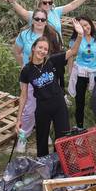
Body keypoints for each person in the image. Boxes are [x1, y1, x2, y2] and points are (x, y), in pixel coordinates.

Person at [16, 21, 83, 156]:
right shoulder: (26, 71)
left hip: (58, 104)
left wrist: (80, 34)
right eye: (40, 47)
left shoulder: (51, 60)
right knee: (41, 139)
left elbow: (73, 51)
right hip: (42, 107)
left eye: (45, 49)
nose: (42, 51)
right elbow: (23, 96)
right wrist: (18, 119)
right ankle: (44, 166)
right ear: (33, 48)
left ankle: (62, 164)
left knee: (63, 138)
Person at [13, 10, 63, 153]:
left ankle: (44, 132)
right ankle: (24, 135)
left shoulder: (51, 35)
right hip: (31, 76)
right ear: (32, 20)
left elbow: (57, 55)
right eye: (37, 19)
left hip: (47, 77)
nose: (40, 22)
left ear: (46, 21)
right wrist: (24, 66)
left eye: (43, 19)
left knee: (47, 106)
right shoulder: (25, 35)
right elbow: (16, 51)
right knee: (29, 109)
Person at [67, 16, 96, 129]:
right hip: (81, 73)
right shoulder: (75, 40)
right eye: (81, 27)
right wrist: (70, 72)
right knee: (79, 101)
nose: (85, 28)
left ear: (91, 24)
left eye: (86, 25)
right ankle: (80, 127)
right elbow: (71, 56)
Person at [5, 0, 94, 37]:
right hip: (40, 50)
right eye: (45, 2)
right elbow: (22, 11)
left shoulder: (56, 11)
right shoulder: (34, 15)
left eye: (50, 2)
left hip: (57, 48)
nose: (47, 4)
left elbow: (72, 5)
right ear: (39, 3)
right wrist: (13, 2)